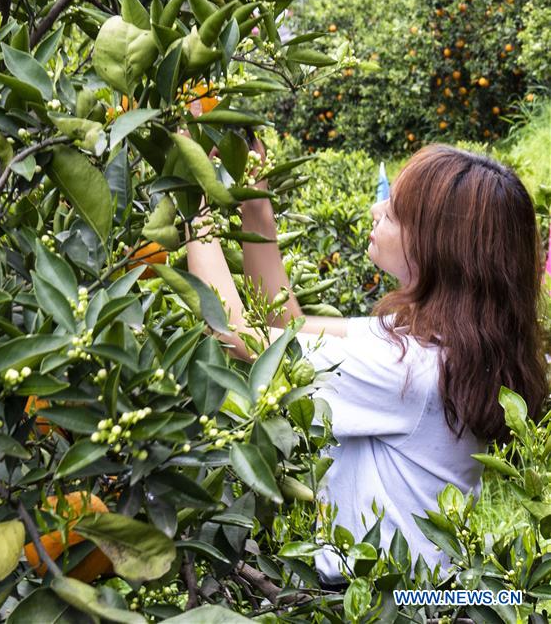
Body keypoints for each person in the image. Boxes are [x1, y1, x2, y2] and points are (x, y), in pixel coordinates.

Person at [186, 139, 549, 581]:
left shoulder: (408, 369)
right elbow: (286, 323)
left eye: (394, 211)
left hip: (379, 603)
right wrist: (255, 203)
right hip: (414, 593)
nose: (377, 209)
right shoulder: (436, 346)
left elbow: (238, 336)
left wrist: (194, 209)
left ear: (437, 249)